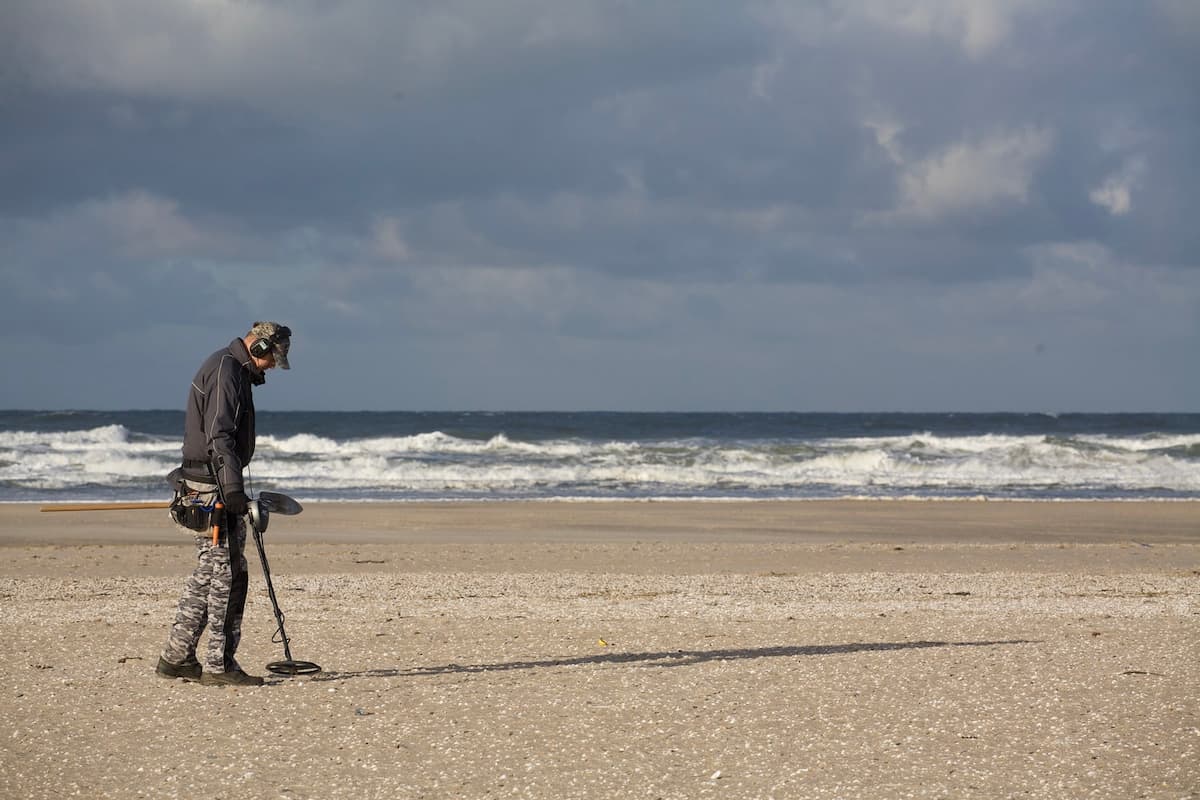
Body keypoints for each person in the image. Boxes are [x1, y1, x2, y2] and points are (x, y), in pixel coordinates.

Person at [156, 321, 292, 686]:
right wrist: (232, 491)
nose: (271, 367)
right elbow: (220, 436)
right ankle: (219, 665)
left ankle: (177, 656)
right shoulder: (227, 372)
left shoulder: (228, 368)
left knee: (209, 572)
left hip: (203, 484)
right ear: (258, 347)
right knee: (229, 574)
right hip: (212, 488)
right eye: (272, 359)